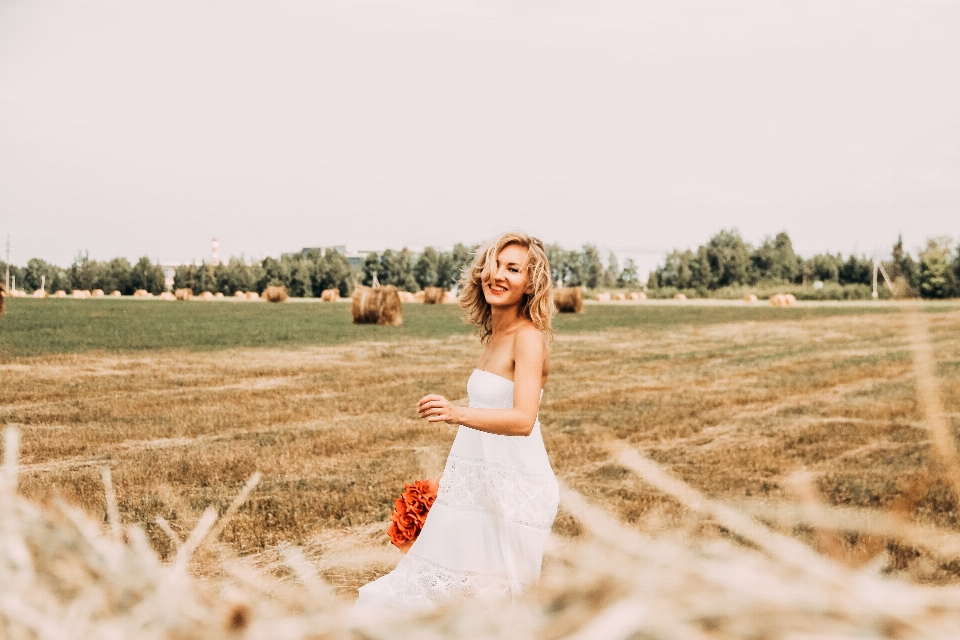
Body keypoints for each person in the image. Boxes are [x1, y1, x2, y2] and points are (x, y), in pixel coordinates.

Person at [355, 231, 559, 610]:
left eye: (512, 269)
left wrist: (456, 412)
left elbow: (522, 420)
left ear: (531, 283)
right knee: (441, 599)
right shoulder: (495, 337)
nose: (497, 275)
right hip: (481, 485)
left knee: (495, 610)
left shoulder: (528, 338)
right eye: (493, 265)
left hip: (517, 491)